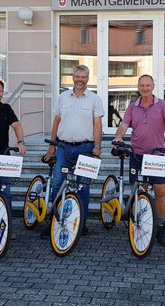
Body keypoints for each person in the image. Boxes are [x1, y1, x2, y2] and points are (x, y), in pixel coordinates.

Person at [113, 74, 165, 247]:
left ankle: (159, 228)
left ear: (153, 87)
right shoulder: (132, 106)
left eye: (148, 85)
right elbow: (123, 125)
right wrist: (118, 138)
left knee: (159, 191)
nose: (145, 88)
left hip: (155, 156)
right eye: (142, 85)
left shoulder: (162, 105)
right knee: (140, 190)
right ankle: (141, 222)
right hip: (137, 154)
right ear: (138, 87)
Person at [41, 65, 104, 237]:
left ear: (88, 79)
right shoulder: (62, 98)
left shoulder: (94, 99)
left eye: (83, 77)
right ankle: (55, 220)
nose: (80, 80)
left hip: (86, 148)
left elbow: (97, 125)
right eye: (77, 76)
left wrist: (97, 146)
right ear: (72, 78)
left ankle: (81, 223)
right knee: (57, 184)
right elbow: (57, 121)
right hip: (63, 147)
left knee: (82, 186)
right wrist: (52, 146)